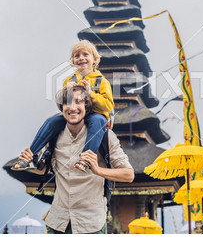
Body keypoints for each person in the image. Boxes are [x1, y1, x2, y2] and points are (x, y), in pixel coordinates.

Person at [17, 85, 134, 234]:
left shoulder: (105, 136)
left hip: (91, 224)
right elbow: (44, 170)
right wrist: (30, 162)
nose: (73, 107)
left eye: (78, 102)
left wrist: (98, 170)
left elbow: (129, 175)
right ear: (61, 107)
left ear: (86, 106)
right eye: (67, 103)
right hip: (58, 223)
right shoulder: (54, 135)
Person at [12, 40, 114, 172]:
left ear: (95, 59)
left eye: (85, 54)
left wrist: (91, 93)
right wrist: (66, 92)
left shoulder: (101, 81)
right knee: (51, 121)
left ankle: (86, 158)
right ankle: (32, 156)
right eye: (77, 56)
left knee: (97, 120)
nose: (81, 58)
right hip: (74, 115)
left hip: (95, 115)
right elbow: (62, 105)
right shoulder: (69, 80)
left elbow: (108, 105)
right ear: (73, 61)